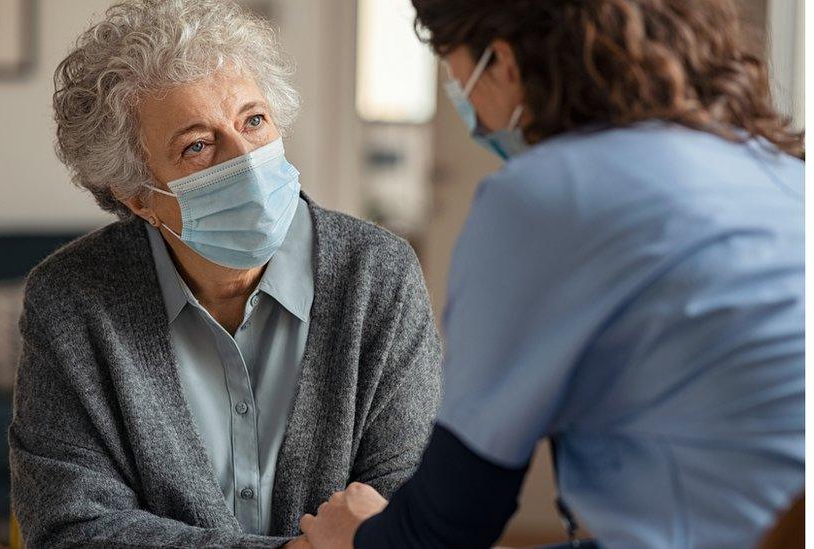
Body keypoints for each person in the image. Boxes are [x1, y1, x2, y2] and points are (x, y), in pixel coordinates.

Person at [300, 0, 804, 547]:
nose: (463, 96)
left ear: (504, 62)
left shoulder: (549, 193)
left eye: (454, 66)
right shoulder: (777, 167)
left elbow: (448, 526)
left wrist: (356, 534)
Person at [7, 1, 442, 546]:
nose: (246, 160)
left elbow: (409, 506)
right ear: (139, 196)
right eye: (198, 145)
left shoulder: (379, 275)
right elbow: (72, 528)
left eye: (253, 121)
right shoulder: (71, 298)